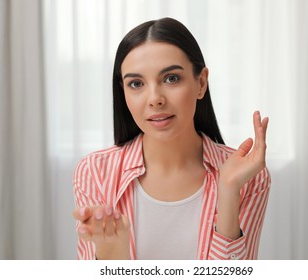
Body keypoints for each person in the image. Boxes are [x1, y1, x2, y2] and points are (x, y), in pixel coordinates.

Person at [72, 17, 270, 260]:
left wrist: (228, 191)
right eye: (136, 83)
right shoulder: (95, 172)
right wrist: (114, 250)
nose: (155, 99)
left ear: (201, 82)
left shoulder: (247, 176)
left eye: (171, 79)